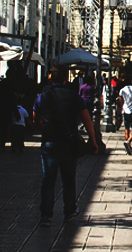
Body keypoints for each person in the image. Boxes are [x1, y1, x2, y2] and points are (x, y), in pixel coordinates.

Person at [33, 68, 98, 227]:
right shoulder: (74, 96)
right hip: (69, 143)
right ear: (65, 79)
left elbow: (35, 120)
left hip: (49, 142)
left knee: (48, 179)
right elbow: (87, 119)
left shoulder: (42, 97)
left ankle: (46, 215)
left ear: (50, 79)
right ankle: (69, 211)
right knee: (68, 179)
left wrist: (44, 127)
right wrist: (93, 140)